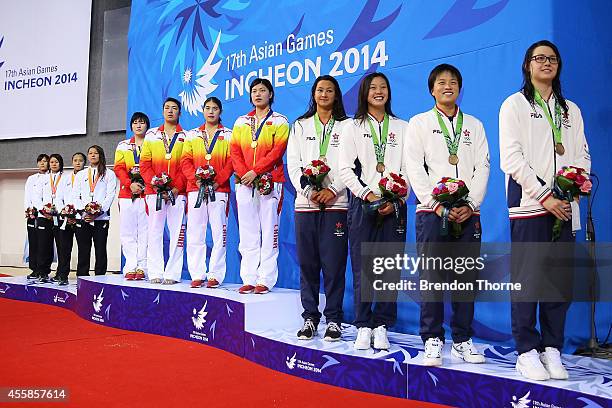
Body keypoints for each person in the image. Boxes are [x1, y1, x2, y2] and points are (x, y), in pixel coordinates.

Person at [499, 40, 590, 381]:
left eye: (552, 58)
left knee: (558, 282)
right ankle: (526, 350)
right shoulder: (514, 105)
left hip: (565, 208)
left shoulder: (571, 110)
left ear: (558, 65)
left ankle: (552, 347)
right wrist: (543, 194)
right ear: (527, 66)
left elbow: (582, 155)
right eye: (539, 58)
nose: (546, 63)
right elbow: (511, 158)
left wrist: (572, 189)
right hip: (529, 206)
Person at [405, 64, 490, 366]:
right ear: (432, 89)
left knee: (465, 279)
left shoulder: (475, 126)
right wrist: (437, 204)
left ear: (460, 88)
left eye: (453, 82)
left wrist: (472, 205)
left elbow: (483, 167)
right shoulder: (419, 123)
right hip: (432, 213)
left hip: (469, 214)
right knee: (432, 279)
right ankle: (431, 339)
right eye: (441, 82)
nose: (447, 86)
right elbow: (414, 167)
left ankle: (463, 340)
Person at [339, 72, 409, 350]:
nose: (378, 92)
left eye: (383, 88)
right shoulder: (352, 127)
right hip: (363, 203)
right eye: (373, 88)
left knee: (389, 268)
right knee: (363, 267)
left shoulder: (403, 127)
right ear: (364, 93)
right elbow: (345, 168)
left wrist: (397, 195)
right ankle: (363, 325)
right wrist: (366, 194)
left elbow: (410, 168)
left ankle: (382, 325)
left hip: (395, 204)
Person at [287, 75, 349, 341]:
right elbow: (293, 166)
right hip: (306, 205)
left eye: (330, 90)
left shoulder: (348, 127)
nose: (324, 94)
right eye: (320, 90)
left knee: (334, 266)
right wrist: (310, 191)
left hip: (337, 204)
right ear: (313, 94)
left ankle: (334, 319)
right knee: (308, 265)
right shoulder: (299, 126)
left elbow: (351, 165)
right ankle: (310, 317)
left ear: (336, 96)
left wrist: (332, 190)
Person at [230, 78, 289, 295]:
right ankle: (249, 277)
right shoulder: (240, 122)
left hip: (270, 181)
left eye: (262, 90)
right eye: (254, 91)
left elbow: (277, 151)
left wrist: (256, 171)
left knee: (269, 229)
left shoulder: (281, 121)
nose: (258, 94)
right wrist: (244, 173)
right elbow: (234, 150)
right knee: (247, 231)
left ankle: (265, 279)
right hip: (245, 182)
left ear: (270, 94)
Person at [181, 97, 233, 288]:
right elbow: (185, 160)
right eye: (208, 108)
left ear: (220, 112)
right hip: (195, 189)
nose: (211, 111)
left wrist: (218, 181)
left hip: (219, 190)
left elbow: (232, 161)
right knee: (195, 232)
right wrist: (195, 179)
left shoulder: (228, 134)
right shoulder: (193, 134)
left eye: (215, 108)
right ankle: (197, 274)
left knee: (219, 233)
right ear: (203, 111)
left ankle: (215, 275)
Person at [140, 97, 187, 284]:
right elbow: (144, 165)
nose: (170, 111)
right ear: (162, 111)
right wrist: (156, 183)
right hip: (155, 192)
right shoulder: (151, 135)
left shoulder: (187, 136)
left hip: (177, 193)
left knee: (177, 233)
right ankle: (155, 272)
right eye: (167, 108)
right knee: (154, 231)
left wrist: (176, 188)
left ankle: (173, 274)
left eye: (174, 108)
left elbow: (187, 166)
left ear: (179, 113)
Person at [115, 112, 150, 281]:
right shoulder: (122, 145)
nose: (138, 125)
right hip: (127, 193)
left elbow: (154, 166)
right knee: (127, 232)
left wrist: (145, 184)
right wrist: (130, 184)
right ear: (131, 126)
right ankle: (130, 265)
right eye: (135, 122)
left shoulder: (152, 143)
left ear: (147, 126)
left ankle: (142, 266)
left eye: (142, 123)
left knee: (144, 231)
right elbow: (119, 168)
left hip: (146, 193)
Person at [73, 145, 117, 276]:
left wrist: (98, 212)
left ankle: (100, 278)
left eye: (96, 153)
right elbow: (76, 195)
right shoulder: (81, 174)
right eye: (90, 153)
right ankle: (82, 277)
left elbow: (110, 195)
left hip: (101, 218)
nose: (93, 155)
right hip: (84, 218)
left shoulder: (109, 173)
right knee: (83, 249)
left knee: (100, 249)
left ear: (100, 155)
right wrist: (83, 212)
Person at [34, 154, 70, 284]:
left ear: (60, 163)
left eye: (56, 162)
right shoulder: (42, 179)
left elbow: (68, 197)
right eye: (52, 162)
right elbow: (36, 197)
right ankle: (42, 272)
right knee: (44, 246)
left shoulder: (66, 178)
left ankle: (62, 274)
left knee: (63, 246)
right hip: (44, 216)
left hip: (60, 216)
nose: (54, 164)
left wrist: (62, 211)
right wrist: (43, 210)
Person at [24, 154, 49, 280]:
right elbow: (27, 195)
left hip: (45, 215)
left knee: (44, 243)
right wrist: (29, 210)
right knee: (33, 242)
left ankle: (43, 269)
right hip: (32, 214)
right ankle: (34, 269)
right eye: (40, 161)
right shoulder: (31, 178)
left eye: (45, 161)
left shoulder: (51, 177)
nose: (42, 163)